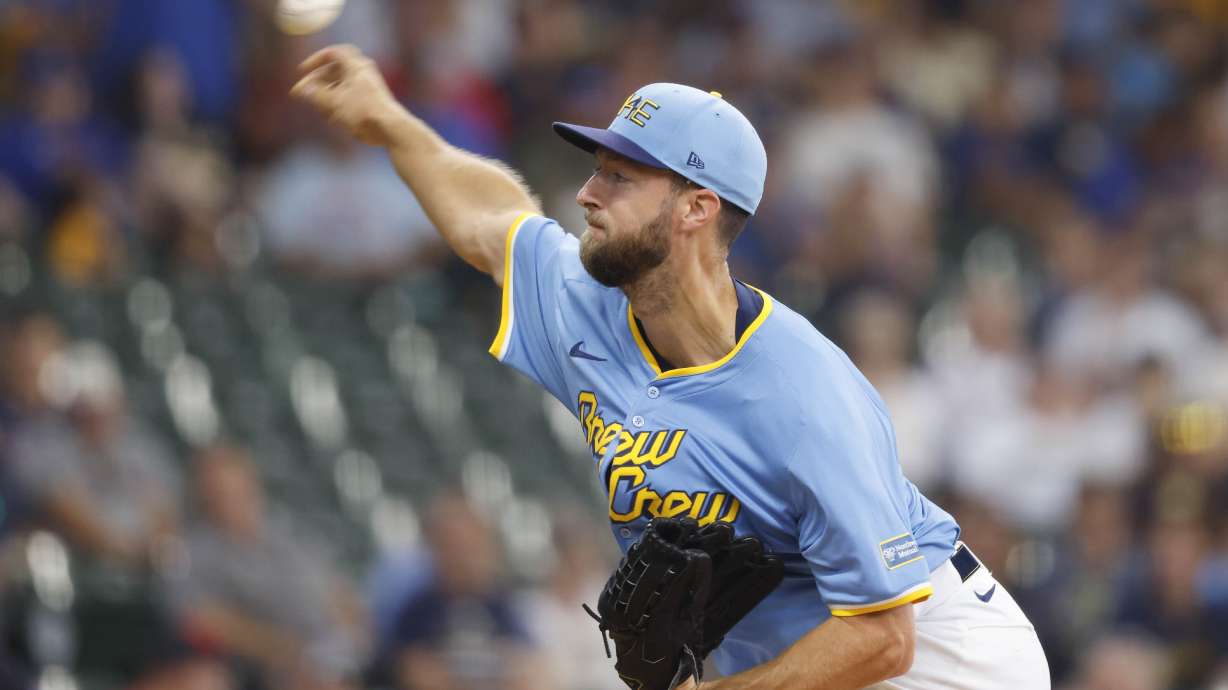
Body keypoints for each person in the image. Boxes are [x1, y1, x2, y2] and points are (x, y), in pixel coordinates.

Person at [291, 44, 1050, 689]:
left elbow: (886, 637)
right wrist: (390, 125)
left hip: (944, 658)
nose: (588, 193)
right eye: (598, 168)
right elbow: (492, 224)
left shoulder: (803, 395)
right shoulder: (586, 305)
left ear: (696, 208)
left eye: (621, 177)